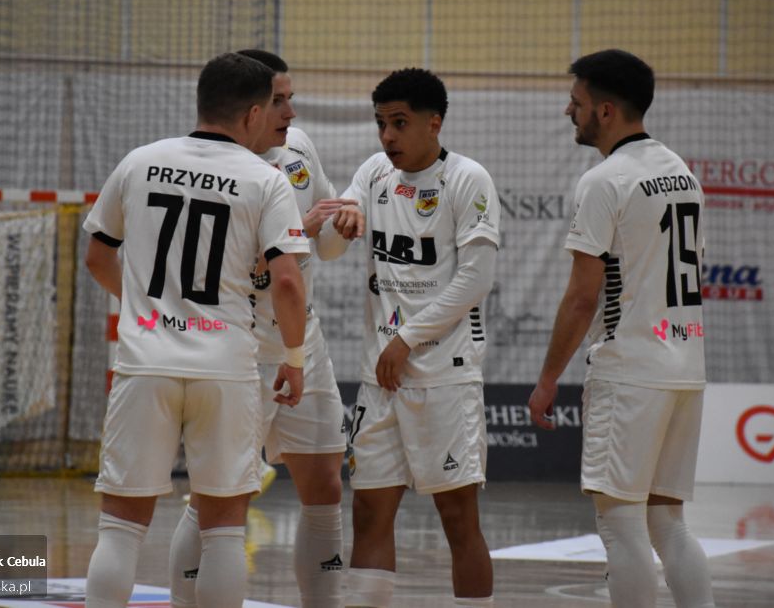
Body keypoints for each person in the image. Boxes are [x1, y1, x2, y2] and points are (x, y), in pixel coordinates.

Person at [81, 52, 310, 608]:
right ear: (254, 114)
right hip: (224, 370)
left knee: (120, 529)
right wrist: (296, 359)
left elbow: (96, 256)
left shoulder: (140, 161)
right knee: (224, 529)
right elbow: (287, 283)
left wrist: (147, 305)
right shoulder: (265, 179)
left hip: (145, 364)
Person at [528, 48, 715, 608]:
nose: (569, 110)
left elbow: (583, 297)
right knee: (668, 523)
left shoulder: (605, 180)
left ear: (605, 111)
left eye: (577, 102)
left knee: (620, 524)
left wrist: (546, 380)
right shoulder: (681, 172)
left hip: (630, 371)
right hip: (685, 368)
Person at [169, 48, 352, 608]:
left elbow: (321, 245)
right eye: (279, 101)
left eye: (292, 98)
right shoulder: (209, 166)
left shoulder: (297, 149)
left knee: (324, 483)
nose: (291, 112)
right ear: (248, 109)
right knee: (217, 500)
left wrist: (342, 225)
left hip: (302, 339)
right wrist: (301, 227)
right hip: (239, 349)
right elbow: (242, 263)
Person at [331, 68, 500, 607]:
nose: (387, 136)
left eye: (399, 123)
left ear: (434, 123)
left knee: (457, 518)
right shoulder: (375, 172)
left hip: (443, 376)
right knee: (368, 511)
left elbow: (475, 280)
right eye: (381, 123)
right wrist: (347, 213)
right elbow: (345, 211)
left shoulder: (468, 179)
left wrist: (407, 340)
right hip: (379, 379)